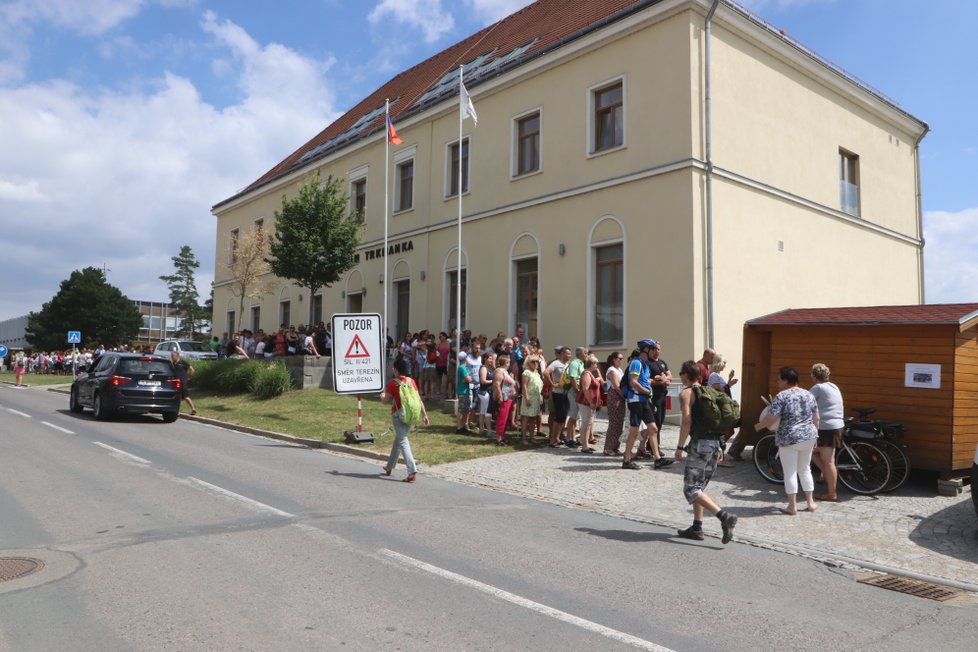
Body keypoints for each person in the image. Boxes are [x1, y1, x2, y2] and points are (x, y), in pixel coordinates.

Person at [674, 360, 739, 543]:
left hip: (700, 444)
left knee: (691, 488)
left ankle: (725, 517)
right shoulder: (710, 392)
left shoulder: (687, 393)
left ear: (686, 375)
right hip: (715, 444)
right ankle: (697, 528)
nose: (680, 376)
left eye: (681, 373)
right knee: (699, 488)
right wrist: (721, 446)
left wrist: (679, 447)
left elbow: (686, 420)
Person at [755, 366, 819, 515]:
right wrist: (816, 434)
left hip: (789, 438)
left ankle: (792, 506)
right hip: (809, 436)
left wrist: (760, 425)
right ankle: (810, 503)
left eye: (779, 379)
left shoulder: (781, 396)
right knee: (805, 469)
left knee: (790, 472)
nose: (777, 382)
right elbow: (816, 417)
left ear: (786, 380)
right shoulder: (809, 394)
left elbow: (772, 417)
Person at [622, 339, 672, 470]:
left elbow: (644, 380)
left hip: (644, 400)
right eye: (653, 349)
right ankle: (626, 460)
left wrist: (653, 380)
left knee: (653, 428)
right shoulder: (636, 363)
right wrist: (647, 391)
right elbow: (633, 381)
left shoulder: (645, 364)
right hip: (636, 400)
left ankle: (657, 459)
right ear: (646, 350)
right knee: (634, 431)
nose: (655, 352)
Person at [380, 358, 429, 482]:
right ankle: (389, 467)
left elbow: (385, 401)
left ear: (396, 370)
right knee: (398, 440)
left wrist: (382, 394)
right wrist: (424, 415)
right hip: (411, 415)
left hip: (398, 415)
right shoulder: (411, 381)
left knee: (402, 441)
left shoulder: (393, 383)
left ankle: (412, 471)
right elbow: (418, 399)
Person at [809, 363, 844, 502]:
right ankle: (826, 475)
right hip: (837, 426)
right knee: (812, 452)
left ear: (813, 375)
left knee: (828, 461)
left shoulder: (817, 388)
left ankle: (831, 493)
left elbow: (804, 401)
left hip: (826, 428)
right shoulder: (833, 386)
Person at [645, 340, 671, 453]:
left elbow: (670, 374)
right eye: (654, 349)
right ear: (650, 350)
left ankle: (651, 445)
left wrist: (665, 378)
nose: (657, 351)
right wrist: (660, 382)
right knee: (655, 422)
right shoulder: (647, 363)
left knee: (660, 422)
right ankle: (654, 447)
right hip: (653, 396)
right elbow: (647, 380)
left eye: (658, 349)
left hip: (662, 396)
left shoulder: (662, 362)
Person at [544, 346, 573, 447]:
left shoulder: (568, 364)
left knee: (563, 416)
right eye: (568, 354)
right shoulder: (556, 363)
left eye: (570, 354)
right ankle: (553, 439)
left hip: (565, 393)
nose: (570, 356)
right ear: (562, 354)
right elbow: (546, 372)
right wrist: (552, 384)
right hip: (558, 393)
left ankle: (557, 437)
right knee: (559, 416)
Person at [575, 355, 602, 453]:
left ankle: (586, 444)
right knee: (585, 423)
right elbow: (585, 389)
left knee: (588, 423)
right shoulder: (586, 374)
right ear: (592, 364)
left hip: (589, 402)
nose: (597, 365)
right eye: (596, 363)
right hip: (585, 402)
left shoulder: (590, 373)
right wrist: (591, 402)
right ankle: (584, 446)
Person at [603, 352, 627, 456]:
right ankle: (608, 448)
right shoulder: (612, 370)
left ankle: (615, 446)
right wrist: (625, 396)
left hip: (619, 397)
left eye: (622, 358)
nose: (621, 360)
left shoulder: (619, 370)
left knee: (619, 423)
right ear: (614, 359)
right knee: (614, 423)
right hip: (615, 396)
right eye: (619, 358)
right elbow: (616, 386)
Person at [492, 352, 518, 445]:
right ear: (504, 362)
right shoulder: (499, 371)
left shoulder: (506, 371)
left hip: (509, 398)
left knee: (506, 419)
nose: (509, 363)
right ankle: (499, 438)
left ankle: (502, 437)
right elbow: (497, 384)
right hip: (503, 399)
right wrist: (500, 395)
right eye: (508, 362)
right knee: (502, 418)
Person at [564, 346, 587, 446]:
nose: (586, 355)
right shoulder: (574, 363)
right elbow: (573, 378)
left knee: (576, 416)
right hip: (574, 392)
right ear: (581, 354)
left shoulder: (581, 363)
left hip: (578, 391)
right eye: (585, 353)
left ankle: (573, 438)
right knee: (573, 416)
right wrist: (577, 390)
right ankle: (568, 438)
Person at [520, 355, 544, 445]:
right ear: (528, 363)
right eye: (533, 362)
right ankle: (524, 438)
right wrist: (527, 398)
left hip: (536, 398)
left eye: (537, 361)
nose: (535, 363)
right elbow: (524, 386)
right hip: (529, 397)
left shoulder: (537, 373)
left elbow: (539, 385)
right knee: (526, 418)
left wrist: (540, 396)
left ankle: (531, 437)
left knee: (533, 418)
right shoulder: (526, 372)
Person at [169, 350, 197, 415]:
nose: (172, 357)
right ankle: (176, 411)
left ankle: (193, 409)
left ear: (177, 356)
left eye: (173, 356)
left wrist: (189, 377)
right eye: (171, 356)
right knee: (177, 397)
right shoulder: (173, 364)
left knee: (186, 396)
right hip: (176, 382)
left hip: (183, 381)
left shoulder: (183, 362)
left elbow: (192, 369)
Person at [455, 352, 474, 433]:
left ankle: (464, 425)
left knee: (467, 409)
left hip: (466, 391)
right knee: (461, 410)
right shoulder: (462, 368)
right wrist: (469, 378)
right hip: (462, 392)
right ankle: (459, 427)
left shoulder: (465, 367)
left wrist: (469, 378)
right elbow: (469, 379)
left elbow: (469, 378)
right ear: (465, 358)